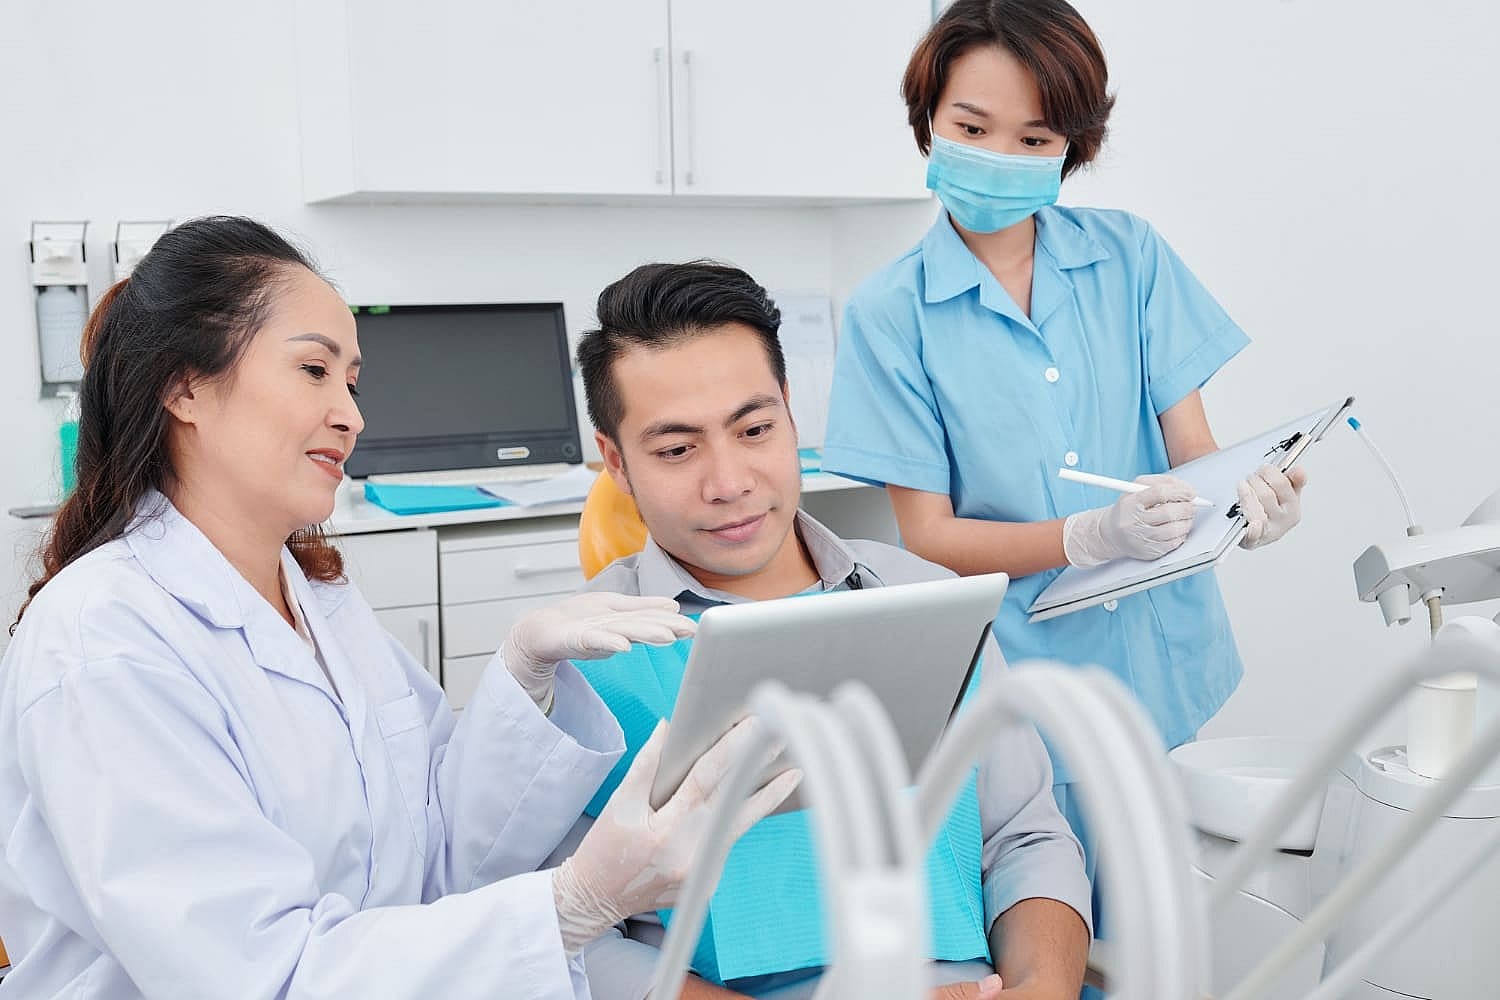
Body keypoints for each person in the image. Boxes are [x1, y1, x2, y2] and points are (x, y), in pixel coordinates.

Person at [0, 217, 799, 999]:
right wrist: (572, 904)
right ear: (185, 386)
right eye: (314, 371)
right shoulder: (103, 641)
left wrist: (524, 678)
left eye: (351, 380)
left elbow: (438, 858)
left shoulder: (319, 604)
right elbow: (260, 976)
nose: (352, 414)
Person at [820, 0, 1308, 955]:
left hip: (1166, 664)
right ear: (929, 119)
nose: (999, 155)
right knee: (1054, 935)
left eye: (1033, 135)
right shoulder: (891, 314)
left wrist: (1253, 500)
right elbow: (930, 536)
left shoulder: (1129, 257)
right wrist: (1082, 540)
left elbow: (1192, 456)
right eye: (971, 127)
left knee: (1163, 937)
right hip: (1023, 685)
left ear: (1071, 146)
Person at [559, 261, 1091, 1000]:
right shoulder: (582, 660)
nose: (729, 481)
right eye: (677, 450)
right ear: (615, 461)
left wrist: (1041, 990)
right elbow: (568, 941)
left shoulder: (926, 600)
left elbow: (1025, 838)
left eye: (754, 429)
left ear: (789, 413)